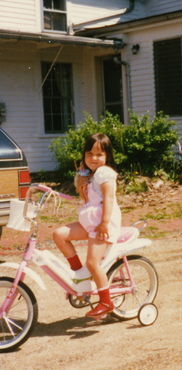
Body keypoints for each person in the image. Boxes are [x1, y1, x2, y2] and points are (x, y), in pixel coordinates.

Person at [53, 133, 122, 319]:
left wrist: (104, 224)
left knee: (93, 262)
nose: (93, 158)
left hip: (102, 225)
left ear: (107, 156)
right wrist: (81, 182)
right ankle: (80, 273)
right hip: (90, 223)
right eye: (89, 154)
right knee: (59, 234)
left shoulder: (105, 173)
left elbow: (109, 198)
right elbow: (86, 198)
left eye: (99, 154)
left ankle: (106, 301)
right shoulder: (89, 174)